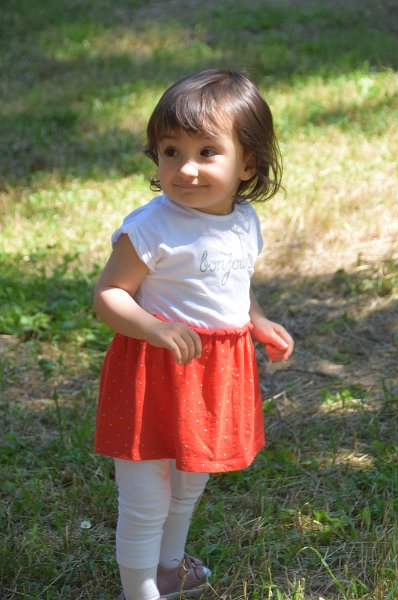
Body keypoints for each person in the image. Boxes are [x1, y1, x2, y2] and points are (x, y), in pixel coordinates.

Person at [93, 69, 294, 600]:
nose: (185, 168)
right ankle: (139, 591)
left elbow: (235, 282)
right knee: (145, 498)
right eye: (171, 151)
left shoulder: (243, 221)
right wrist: (154, 327)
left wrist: (256, 320)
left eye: (207, 152)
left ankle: (168, 567)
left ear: (248, 163)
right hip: (153, 371)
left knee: (188, 485)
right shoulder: (151, 227)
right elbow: (109, 294)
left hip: (214, 374)